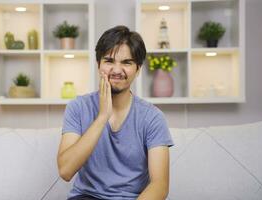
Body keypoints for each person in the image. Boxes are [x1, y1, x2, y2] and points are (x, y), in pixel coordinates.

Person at [57, 25, 174, 200]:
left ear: (138, 69)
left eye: (127, 62)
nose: (117, 70)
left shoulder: (152, 117)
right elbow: (65, 171)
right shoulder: (78, 107)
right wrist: (102, 116)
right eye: (109, 61)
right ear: (98, 65)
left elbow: (160, 185)